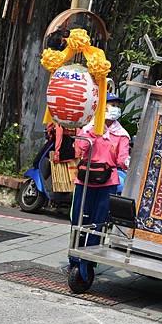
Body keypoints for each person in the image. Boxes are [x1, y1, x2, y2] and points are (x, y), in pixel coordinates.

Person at [69, 93, 130, 269]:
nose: (115, 108)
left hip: (107, 182)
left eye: (118, 105)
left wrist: (130, 162)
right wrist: (90, 130)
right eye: (111, 104)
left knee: (99, 221)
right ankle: (74, 258)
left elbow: (121, 160)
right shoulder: (90, 128)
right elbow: (80, 149)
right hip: (85, 180)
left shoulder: (121, 135)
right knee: (79, 219)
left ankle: (89, 260)